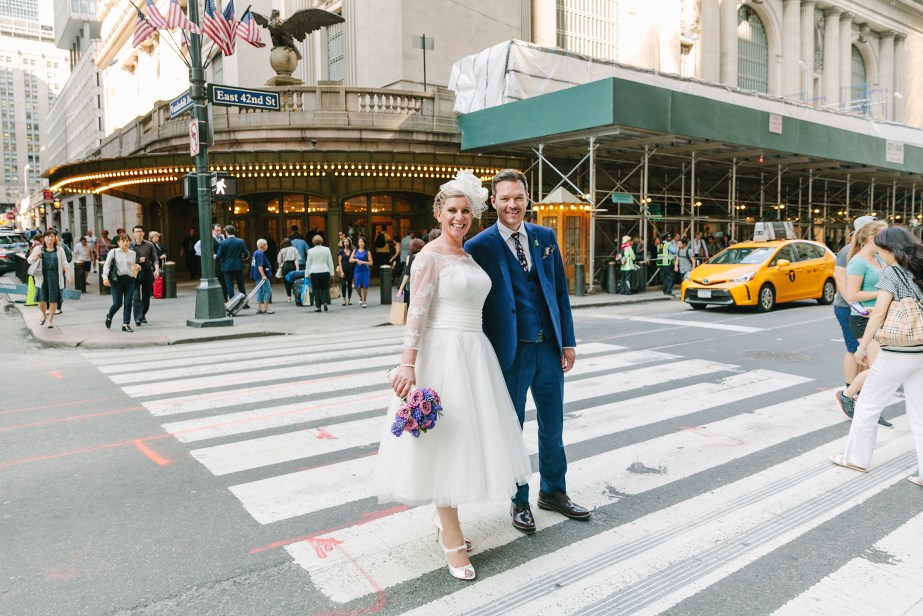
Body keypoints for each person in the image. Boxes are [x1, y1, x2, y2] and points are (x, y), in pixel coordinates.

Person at [375, 170, 532, 581]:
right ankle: (452, 537)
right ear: (439, 213)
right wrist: (408, 364)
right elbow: (417, 315)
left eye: (466, 210)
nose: (459, 217)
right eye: (452, 210)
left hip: (474, 353)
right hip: (442, 354)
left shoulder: (468, 256)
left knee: (463, 442)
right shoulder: (428, 256)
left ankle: (445, 520)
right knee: (445, 443)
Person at [466, 168, 588, 535]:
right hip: (510, 354)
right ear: (493, 202)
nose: (512, 204)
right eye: (505, 198)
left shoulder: (544, 237)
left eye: (518, 197)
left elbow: (559, 294)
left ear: (527, 199)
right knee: (511, 429)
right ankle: (519, 500)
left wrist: (567, 341)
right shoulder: (479, 246)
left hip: (548, 349)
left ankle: (553, 491)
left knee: (553, 426)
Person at [830, 226, 923, 487]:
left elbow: (879, 313)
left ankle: (856, 458)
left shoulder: (891, 273)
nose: (881, 254)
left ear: (891, 249)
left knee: (869, 404)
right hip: (921, 349)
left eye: (882, 249)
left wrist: (862, 347)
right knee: (920, 412)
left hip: (897, 350)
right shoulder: (920, 268)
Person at [838, 219, 892, 427]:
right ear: (872, 238)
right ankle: (848, 395)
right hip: (863, 319)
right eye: (884, 234)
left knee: (884, 368)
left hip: (882, 318)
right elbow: (852, 294)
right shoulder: (858, 262)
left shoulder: (880, 258)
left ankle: (867, 406)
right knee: (880, 368)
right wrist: (882, 293)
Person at [832, 216, 877, 415]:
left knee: (865, 354)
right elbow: (842, 283)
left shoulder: (875, 253)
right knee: (854, 349)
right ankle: (849, 388)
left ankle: (856, 390)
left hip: (865, 309)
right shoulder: (846, 252)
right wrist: (856, 306)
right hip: (848, 307)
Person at [26, 230, 71, 328]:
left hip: (55, 277)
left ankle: (50, 320)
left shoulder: (59, 250)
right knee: (42, 300)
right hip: (42, 277)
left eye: (52, 236)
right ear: (44, 238)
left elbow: (65, 263)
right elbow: (29, 260)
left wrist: (68, 275)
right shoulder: (38, 248)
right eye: (48, 237)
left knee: (53, 300)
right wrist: (36, 256)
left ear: (55, 238)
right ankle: (43, 314)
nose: (50, 238)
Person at [102, 233, 141, 332]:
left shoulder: (133, 253)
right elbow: (106, 265)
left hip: (130, 280)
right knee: (117, 303)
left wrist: (137, 267)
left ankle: (125, 324)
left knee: (128, 302)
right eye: (123, 241)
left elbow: (133, 266)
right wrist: (105, 278)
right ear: (118, 242)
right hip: (117, 280)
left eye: (127, 241)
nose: (125, 243)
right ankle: (109, 316)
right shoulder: (113, 252)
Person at [130, 225, 160, 326]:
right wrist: (138, 260)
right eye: (136, 232)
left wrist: (156, 269)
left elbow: (155, 258)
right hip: (135, 271)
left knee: (146, 296)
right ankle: (138, 318)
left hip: (147, 271)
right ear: (133, 234)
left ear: (143, 233)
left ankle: (142, 314)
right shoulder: (130, 246)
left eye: (140, 231)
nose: (138, 233)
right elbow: (127, 260)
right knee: (136, 295)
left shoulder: (149, 244)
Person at [215, 225, 249, 300]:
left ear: (226, 233)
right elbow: (246, 253)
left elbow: (219, 256)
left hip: (227, 266)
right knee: (241, 285)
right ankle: (244, 303)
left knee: (229, 285)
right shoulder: (240, 241)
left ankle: (233, 304)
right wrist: (244, 258)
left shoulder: (223, 243)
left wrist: (217, 259)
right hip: (238, 266)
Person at [304, 235, 335, 312]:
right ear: (322, 241)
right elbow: (330, 262)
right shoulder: (327, 249)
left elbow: (308, 263)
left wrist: (306, 274)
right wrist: (332, 273)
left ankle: (318, 306)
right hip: (325, 270)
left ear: (313, 241)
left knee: (316, 289)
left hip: (314, 271)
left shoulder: (310, 251)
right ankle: (325, 302)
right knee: (324, 288)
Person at [396, 237, 425, 306]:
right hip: (422, 284)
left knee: (410, 305)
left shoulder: (410, 257)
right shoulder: (425, 256)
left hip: (412, 285)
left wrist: (400, 289)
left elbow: (407, 273)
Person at [250, 239, 274, 314]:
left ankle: (258, 308)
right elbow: (260, 265)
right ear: (263, 246)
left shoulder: (255, 253)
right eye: (266, 244)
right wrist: (263, 275)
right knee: (268, 290)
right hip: (261, 275)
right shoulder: (260, 254)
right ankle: (266, 308)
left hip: (256, 275)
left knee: (260, 291)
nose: (267, 246)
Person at [276, 238, 301, 303]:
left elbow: (279, 261)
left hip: (285, 266)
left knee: (286, 281)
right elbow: (296, 259)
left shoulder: (282, 250)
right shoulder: (294, 249)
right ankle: (296, 295)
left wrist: (279, 269)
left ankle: (288, 298)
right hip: (292, 265)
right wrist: (297, 269)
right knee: (294, 281)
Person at [350, 237, 372, 307]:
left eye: (362, 242)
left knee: (365, 286)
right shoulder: (355, 251)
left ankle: (364, 300)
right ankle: (360, 296)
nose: (361, 243)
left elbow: (371, 263)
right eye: (360, 242)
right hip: (357, 270)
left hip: (365, 270)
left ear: (365, 243)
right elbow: (350, 260)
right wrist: (356, 260)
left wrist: (362, 262)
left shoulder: (367, 252)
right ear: (358, 243)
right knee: (357, 285)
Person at [337, 237, 355, 305]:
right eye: (344, 242)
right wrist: (341, 271)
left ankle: (349, 299)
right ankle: (344, 299)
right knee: (343, 284)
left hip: (350, 269)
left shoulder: (352, 251)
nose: (346, 243)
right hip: (343, 269)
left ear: (350, 243)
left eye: (347, 242)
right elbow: (340, 262)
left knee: (350, 284)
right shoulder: (341, 251)